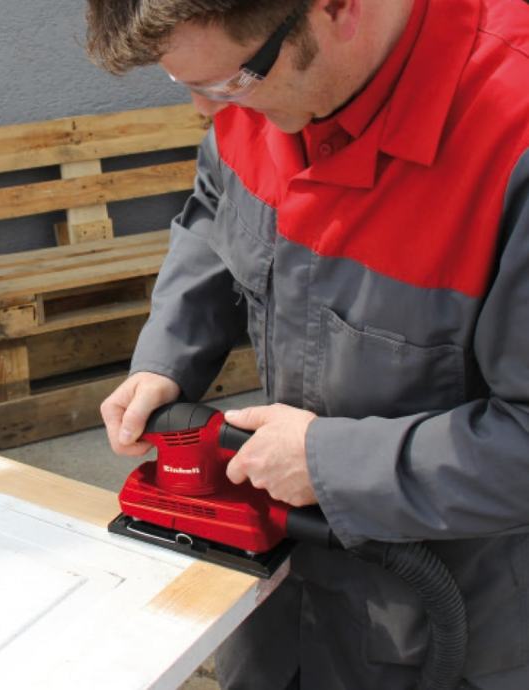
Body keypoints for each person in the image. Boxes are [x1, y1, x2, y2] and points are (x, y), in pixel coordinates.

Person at [86, 0, 529, 687]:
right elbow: (213, 212)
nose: (208, 109)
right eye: (187, 84)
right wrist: (168, 358)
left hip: (451, 634)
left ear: (338, 8)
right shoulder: (257, 87)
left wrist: (329, 464)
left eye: (226, 82)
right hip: (279, 602)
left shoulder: (511, 136)